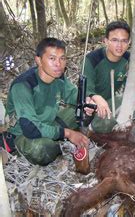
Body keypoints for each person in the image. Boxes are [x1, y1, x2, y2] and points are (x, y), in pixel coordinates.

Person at [5, 37, 94, 166]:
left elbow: (72, 94)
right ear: (39, 60)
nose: (58, 64)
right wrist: (68, 134)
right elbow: (31, 128)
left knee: (84, 112)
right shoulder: (23, 86)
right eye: (52, 58)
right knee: (41, 150)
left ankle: (62, 138)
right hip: (24, 134)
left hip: (50, 122)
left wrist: (86, 102)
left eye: (62, 58)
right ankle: (61, 146)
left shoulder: (58, 76)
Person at [83, 20, 131, 133]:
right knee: (104, 125)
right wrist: (96, 98)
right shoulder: (92, 59)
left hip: (114, 101)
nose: (119, 45)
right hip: (93, 104)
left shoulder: (130, 59)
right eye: (114, 40)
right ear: (106, 41)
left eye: (124, 41)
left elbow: (133, 85)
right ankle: (91, 128)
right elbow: (86, 88)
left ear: (129, 42)